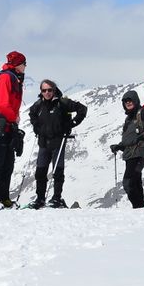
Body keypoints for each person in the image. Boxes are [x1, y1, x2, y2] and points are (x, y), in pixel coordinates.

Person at [27, 79, 87, 209]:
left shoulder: (63, 103)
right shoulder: (39, 105)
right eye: (44, 90)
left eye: (49, 90)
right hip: (43, 141)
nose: (47, 93)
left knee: (58, 171)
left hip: (58, 141)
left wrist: (72, 123)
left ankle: (56, 198)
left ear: (54, 90)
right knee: (40, 172)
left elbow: (82, 109)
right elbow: (31, 114)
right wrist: (36, 126)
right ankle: (40, 199)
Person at [0, 51, 27, 210]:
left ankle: (3, 197)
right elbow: (1, 105)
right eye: (24, 63)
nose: (25, 67)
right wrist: (14, 117)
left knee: (7, 163)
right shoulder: (6, 78)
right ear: (18, 64)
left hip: (7, 126)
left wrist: (14, 120)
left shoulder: (15, 78)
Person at [109, 90, 144, 209]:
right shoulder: (129, 118)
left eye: (130, 100)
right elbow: (129, 139)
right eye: (125, 101)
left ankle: (137, 207)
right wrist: (119, 146)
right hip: (130, 154)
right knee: (135, 182)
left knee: (128, 182)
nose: (128, 103)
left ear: (135, 100)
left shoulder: (143, 113)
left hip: (140, 152)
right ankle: (140, 208)